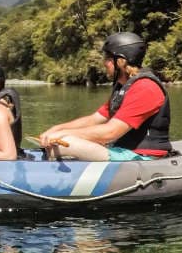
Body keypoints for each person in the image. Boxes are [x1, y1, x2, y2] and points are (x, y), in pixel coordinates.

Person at [38, 32, 172, 161]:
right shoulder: (124, 87)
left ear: (121, 61)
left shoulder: (145, 88)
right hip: (123, 151)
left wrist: (64, 135)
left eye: (108, 59)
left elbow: (111, 132)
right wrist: (58, 129)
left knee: (65, 143)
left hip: (143, 157)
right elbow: (95, 118)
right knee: (62, 141)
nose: (104, 63)